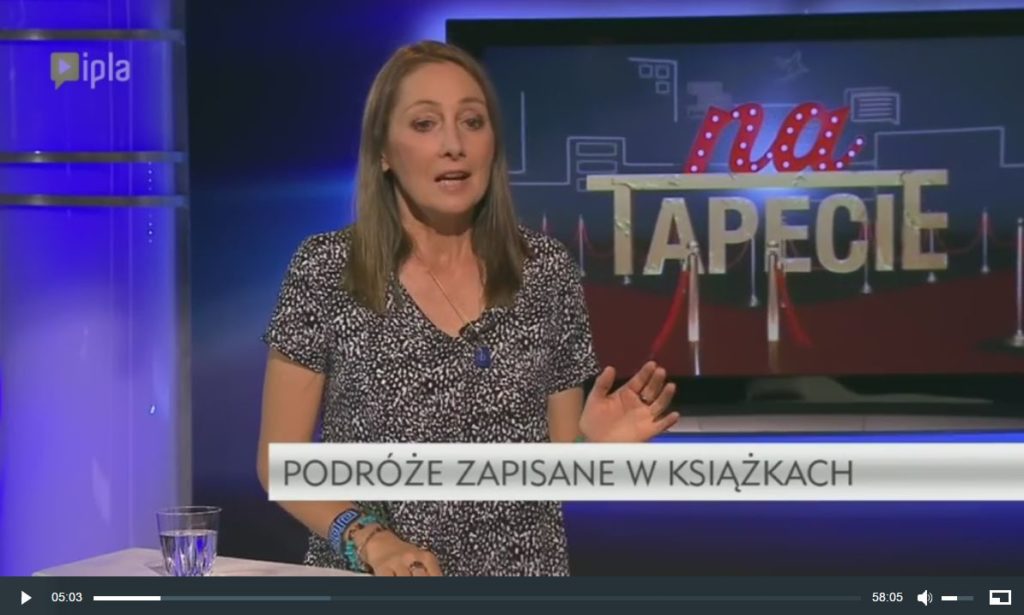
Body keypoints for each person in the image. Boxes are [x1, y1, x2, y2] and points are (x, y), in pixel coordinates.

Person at [257, 40, 680, 577]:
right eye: (425, 124)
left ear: (492, 145)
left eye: (472, 122)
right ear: (383, 152)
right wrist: (373, 543)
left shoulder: (544, 270)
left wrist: (588, 446)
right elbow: (279, 464)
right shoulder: (327, 269)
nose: (453, 145)